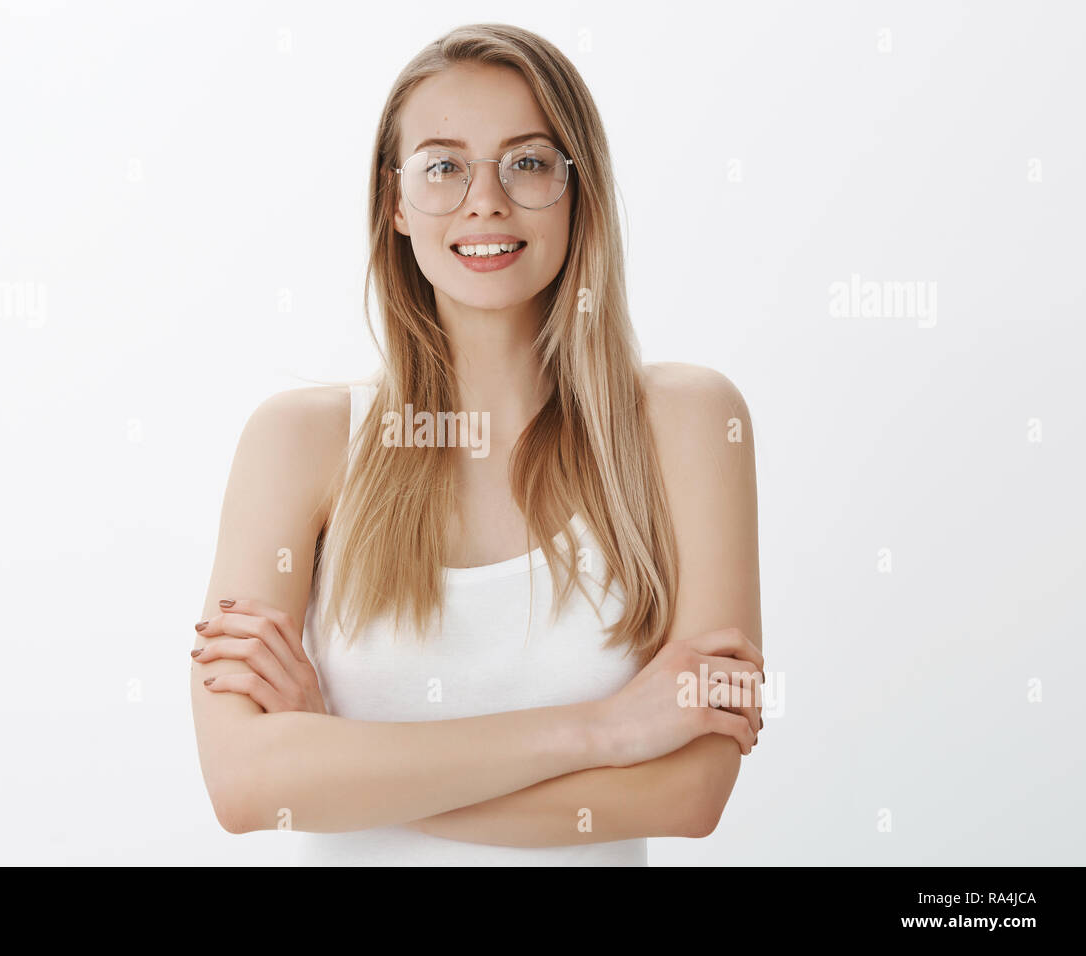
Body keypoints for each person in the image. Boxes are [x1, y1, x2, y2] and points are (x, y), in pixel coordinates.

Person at [190, 22, 764, 866]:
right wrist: (604, 730)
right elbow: (244, 788)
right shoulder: (297, 442)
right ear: (395, 202)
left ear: (579, 190)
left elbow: (690, 794)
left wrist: (340, 762)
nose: (484, 200)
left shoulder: (688, 424)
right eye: (442, 166)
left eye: (528, 162)